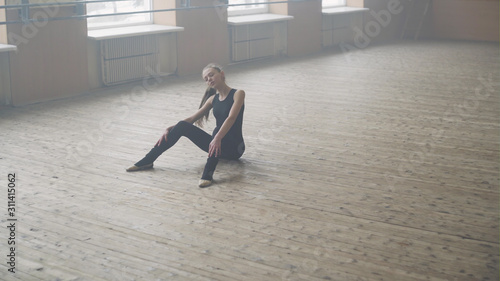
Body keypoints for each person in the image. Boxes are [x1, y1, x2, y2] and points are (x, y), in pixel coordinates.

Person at [126, 63, 245, 188]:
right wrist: (170, 128)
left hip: (234, 148)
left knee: (216, 133)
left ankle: (207, 174)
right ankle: (148, 160)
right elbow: (191, 119)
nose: (209, 79)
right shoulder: (212, 99)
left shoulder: (238, 94)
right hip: (217, 145)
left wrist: (217, 138)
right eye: (206, 79)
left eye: (211, 75)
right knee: (183, 125)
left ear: (221, 74)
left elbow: (231, 118)